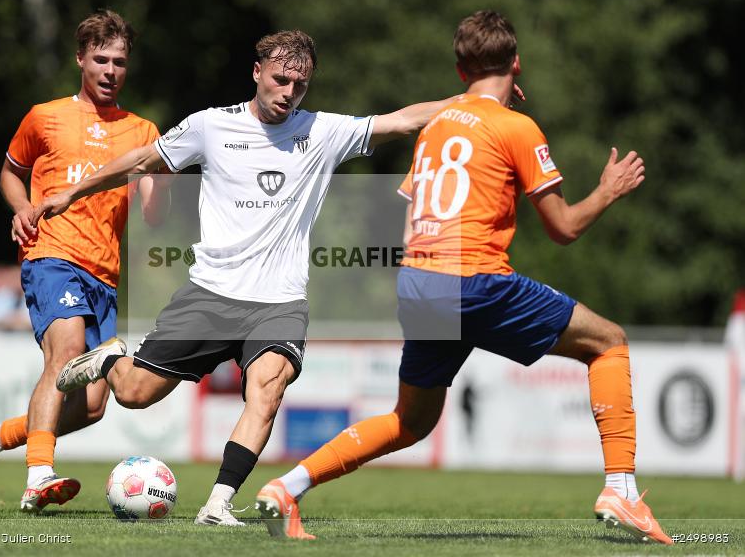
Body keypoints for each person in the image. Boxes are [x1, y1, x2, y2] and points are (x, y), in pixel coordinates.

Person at [255, 10, 673, 545]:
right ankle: (621, 489)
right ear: (516, 63)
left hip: (420, 281)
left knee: (411, 421)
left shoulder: (438, 127)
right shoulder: (517, 127)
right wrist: (608, 190)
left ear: (460, 71)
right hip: (473, 280)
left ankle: (288, 488)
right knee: (608, 343)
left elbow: (408, 214)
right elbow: (563, 228)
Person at [34, 29, 470, 526]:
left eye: (300, 85)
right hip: (210, 294)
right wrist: (73, 192)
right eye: (280, 80)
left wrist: (476, 99)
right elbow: (141, 160)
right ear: (257, 73)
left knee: (269, 387)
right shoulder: (210, 126)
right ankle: (112, 357)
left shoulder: (322, 131)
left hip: (279, 302)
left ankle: (219, 503)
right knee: (133, 394)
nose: (288, 92)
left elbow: (405, 120)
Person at [0, 9, 170, 513]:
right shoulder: (44, 116)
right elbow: (10, 172)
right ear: (80, 59)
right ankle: (39, 475)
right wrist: (22, 207)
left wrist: (162, 177)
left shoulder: (142, 130)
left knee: (94, 405)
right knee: (67, 350)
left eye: (120, 61)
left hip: (104, 272)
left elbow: (155, 217)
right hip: (50, 253)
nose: (111, 70)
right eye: (101, 59)